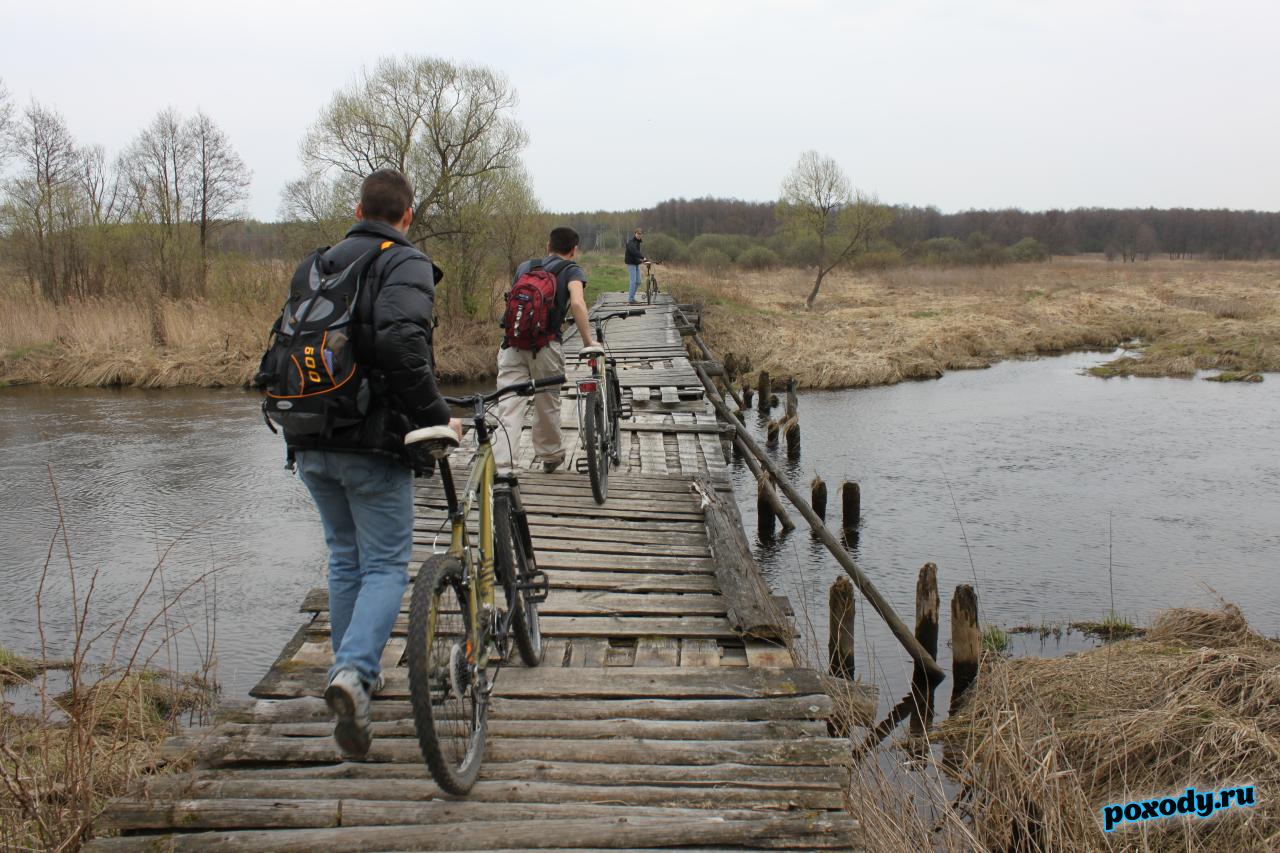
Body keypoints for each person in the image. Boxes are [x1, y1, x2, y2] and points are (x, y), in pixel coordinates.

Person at [285, 168, 459, 759]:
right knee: (386, 564)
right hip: (370, 439)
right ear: (407, 215)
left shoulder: (318, 264)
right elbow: (401, 344)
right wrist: (438, 415)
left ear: (358, 206)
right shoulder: (403, 261)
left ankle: (350, 668)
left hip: (308, 434)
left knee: (344, 558)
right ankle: (355, 675)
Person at [492, 226, 597, 475]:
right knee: (546, 404)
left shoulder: (526, 266)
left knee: (509, 405)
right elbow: (578, 304)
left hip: (513, 344)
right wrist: (588, 342)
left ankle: (504, 465)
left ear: (548, 246)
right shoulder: (572, 270)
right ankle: (550, 455)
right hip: (546, 347)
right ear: (574, 250)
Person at [624, 227, 648, 304]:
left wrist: (641, 261)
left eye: (640, 234)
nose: (639, 235)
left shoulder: (638, 242)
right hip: (631, 264)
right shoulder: (631, 242)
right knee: (633, 282)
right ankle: (631, 299)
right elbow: (634, 252)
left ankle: (632, 298)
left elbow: (635, 255)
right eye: (638, 234)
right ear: (635, 234)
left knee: (638, 282)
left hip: (635, 263)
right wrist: (642, 257)